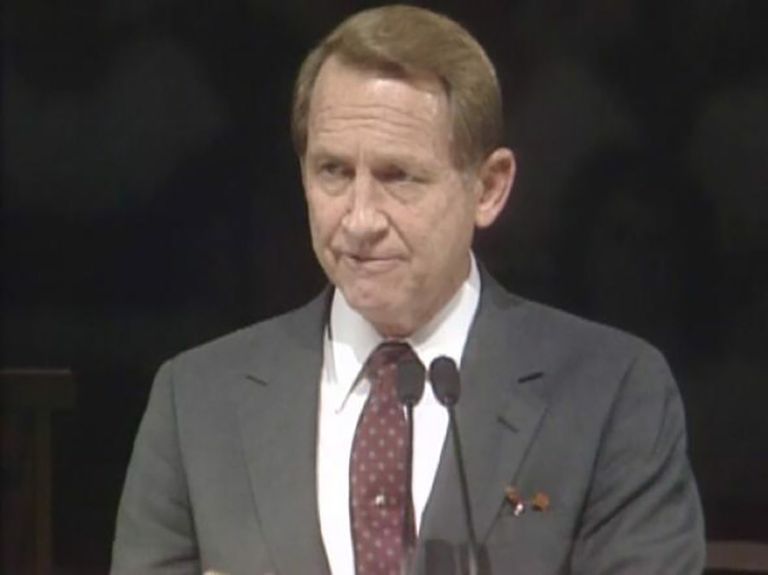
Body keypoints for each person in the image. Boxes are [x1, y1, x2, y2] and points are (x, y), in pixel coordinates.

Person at [111, 5, 705, 574]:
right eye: (333, 171)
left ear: (489, 188)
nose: (360, 218)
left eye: (398, 177)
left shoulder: (611, 394)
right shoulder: (195, 402)